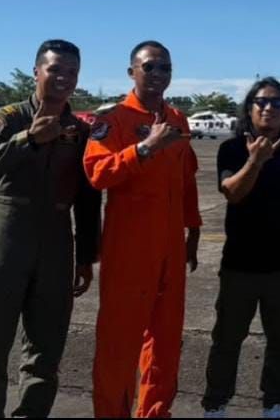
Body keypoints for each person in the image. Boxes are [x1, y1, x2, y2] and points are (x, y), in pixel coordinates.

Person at [0, 39, 100, 418]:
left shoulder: (79, 130)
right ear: (36, 71)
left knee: (47, 345)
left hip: (56, 242)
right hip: (7, 239)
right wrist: (27, 140)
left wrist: (86, 257)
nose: (64, 78)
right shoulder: (7, 120)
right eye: (56, 69)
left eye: (71, 72)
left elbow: (88, 200)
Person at [84, 42, 201, 418]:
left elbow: (187, 180)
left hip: (171, 248)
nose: (157, 75)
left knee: (165, 344)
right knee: (119, 343)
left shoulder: (178, 121)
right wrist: (144, 148)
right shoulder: (114, 120)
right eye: (149, 67)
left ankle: (154, 413)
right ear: (131, 71)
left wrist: (193, 229)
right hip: (129, 250)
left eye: (165, 68)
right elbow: (97, 174)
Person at [202, 77, 280, 420]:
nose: (269, 108)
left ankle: (274, 403)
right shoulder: (232, 150)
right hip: (240, 265)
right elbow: (233, 193)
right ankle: (216, 404)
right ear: (249, 109)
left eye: (277, 103)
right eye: (262, 102)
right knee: (227, 339)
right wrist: (255, 162)